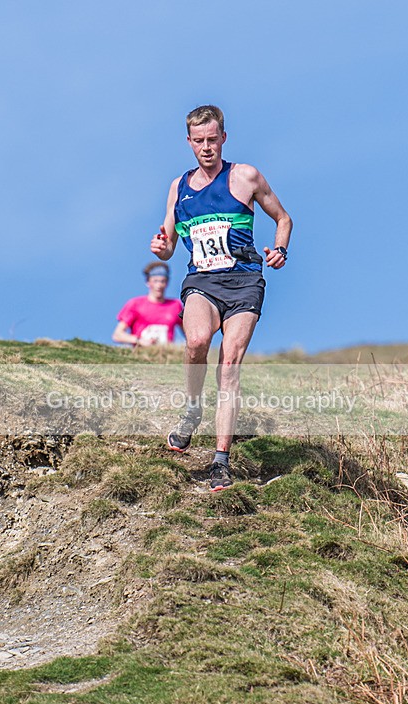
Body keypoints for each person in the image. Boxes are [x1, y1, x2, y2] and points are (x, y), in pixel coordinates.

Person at [150, 104, 293, 491]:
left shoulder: (245, 176)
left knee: (229, 365)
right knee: (197, 341)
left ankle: (220, 461)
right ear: (189, 143)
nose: (207, 147)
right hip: (202, 282)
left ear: (224, 138)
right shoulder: (178, 188)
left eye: (213, 140)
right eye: (199, 141)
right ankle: (193, 409)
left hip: (245, 282)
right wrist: (161, 246)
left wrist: (280, 248)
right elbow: (167, 243)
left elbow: (283, 218)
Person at [112, 262, 183, 346]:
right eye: (155, 281)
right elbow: (117, 335)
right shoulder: (135, 304)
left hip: (166, 355)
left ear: (167, 283)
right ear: (148, 282)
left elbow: (188, 334)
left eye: (162, 281)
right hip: (141, 354)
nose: (159, 285)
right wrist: (139, 340)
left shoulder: (175, 305)